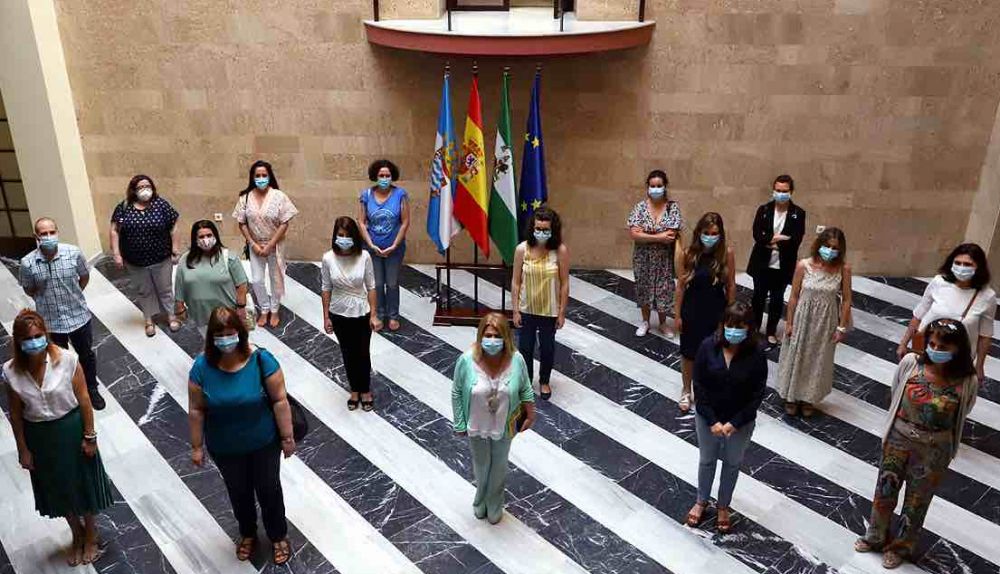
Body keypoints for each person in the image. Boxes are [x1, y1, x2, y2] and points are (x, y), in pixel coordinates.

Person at [855, 319, 978, 569]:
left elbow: (964, 410)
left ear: (958, 349)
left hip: (934, 449)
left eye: (943, 347)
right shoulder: (911, 363)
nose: (935, 350)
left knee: (917, 501)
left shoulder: (967, 380)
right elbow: (895, 391)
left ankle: (901, 546)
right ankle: (875, 536)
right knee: (885, 490)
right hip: (898, 438)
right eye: (932, 344)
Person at [2, 310, 112, 566]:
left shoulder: (67, 360)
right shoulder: (10, 372)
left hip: (70, 429)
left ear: (46, 334)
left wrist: (90, 436)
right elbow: (16, 415)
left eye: (38, 336)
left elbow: (84, 399)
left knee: (81, 483)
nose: (34, 342)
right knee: (56, 487)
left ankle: (91, 534)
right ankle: (76, 533)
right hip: (40, 436)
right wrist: (23, 449)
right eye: (27, 338)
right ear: (18, 341)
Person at [188, 307, 296, 565]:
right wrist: (196, 446)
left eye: (230, 333)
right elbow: (196, 409)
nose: (225, 339)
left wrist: (287, 437)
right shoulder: (202, 367)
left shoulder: (261, 360)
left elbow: (280, 400)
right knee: (238, 492)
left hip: (263, 442)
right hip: (225, 447)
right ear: (211, 337)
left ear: (240, 332)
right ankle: (248, 533)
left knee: (269, 489)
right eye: (219, 335)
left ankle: (278, 535)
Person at [686, 301, 766, 534]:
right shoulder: (707, 347)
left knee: (732, 463)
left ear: (749, 328)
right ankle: (701, 500)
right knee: (707, 460)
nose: (734, 331)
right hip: (708, 418)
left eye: (740, 326)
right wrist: (712, 421)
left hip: (740, 422)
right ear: (723, 325)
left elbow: (757, 394)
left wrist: (735, 423)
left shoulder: (756, 354)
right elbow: (699, 385)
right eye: (730, 325)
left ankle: (723, 506)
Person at [451, 313, 536, 524]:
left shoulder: (516, 360)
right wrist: (459, 422)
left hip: (504, 424)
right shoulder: (466, 360)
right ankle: (480, 498)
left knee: (499, 465)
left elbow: (525, 387)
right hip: (476, 423)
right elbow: (457, 391)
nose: (492, 340)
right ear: (480, 336)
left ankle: (495, 502)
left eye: (497, 336)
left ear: (505, 337)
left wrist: (530, 413)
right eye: (487, 335)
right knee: (481, 465)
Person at [18, 217, 104, 410]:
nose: (48, 237)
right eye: (43, 234)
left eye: (51, 232)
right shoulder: (28, 263)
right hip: (50, 321)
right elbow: (29, 288)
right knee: (58, 360)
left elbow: (84, 276)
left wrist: (73, 294)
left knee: (86, 355)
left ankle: (92, 388)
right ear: (36, 236)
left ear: (57, 232)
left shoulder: (73, 253)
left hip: (78, 316)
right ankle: (69, 391)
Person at [775, 227, 853, 417]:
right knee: (797, 355)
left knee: (818, 359)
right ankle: (792, 396)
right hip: (803, 318)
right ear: (819, 245)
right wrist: (789, 323)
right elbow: (794, 296)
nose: (830, 250)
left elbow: (846, 300)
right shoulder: (804, 265)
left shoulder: (843, 269)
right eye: (827, 246)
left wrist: (841, 327)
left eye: (835, 248)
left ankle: (808, 398)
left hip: (826, 321)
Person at [896, 243, 996, 384]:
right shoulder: (939, 282)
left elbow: (985, 336)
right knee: (914, 386)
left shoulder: (987, 297)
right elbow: (918, 315)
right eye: (958, 263)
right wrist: (904, 343)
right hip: (924, 347)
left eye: (967, 264)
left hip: (957, 357)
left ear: (978, 267)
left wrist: (979, 366)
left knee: (947, 392)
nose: (961, 268)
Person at [675, 212, 736, 413]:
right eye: (707, 233)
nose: (710, 237)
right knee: (688, 352)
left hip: (716, 311)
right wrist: (677, 314)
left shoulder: (726, 254)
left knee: (714, 353)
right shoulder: (688, 254)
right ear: (699, 232)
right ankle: (686, 390)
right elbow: (681, 286)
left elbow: (731, 285)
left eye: (714, 233)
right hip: (692, 309)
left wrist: (731, 315)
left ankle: (708, 392)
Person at [321, 216, 382, 412]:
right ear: (335, 236)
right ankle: (354, 389)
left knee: (363, 352)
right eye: (341, 235)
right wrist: (326, 316)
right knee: (348, 353)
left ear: (354, 237)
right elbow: (326, 288)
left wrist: (373, 314)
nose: (344, 239)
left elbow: (371, 287)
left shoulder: (364, 257)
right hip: (338, 312)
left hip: (361, 311)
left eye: (348, 235)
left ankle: (365, 390)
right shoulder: (328, 258)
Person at [109, 174, 181, 337]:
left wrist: (175, 249)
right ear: (133, 190)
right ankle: (149, 320)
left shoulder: (161, 205)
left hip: (161, 258)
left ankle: (171, 316)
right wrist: (116, 253)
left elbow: (174, 226)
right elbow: (114, 230)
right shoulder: (124, 207)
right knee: (144, 291)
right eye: (140, 187)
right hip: (135, 261)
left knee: (165, 289)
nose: (145, 189)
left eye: (147, 186)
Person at [511, 206, 569, 400]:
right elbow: (516, 282)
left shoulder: (559, 251)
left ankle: (544, 381)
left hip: (549, 310)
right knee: (525, 348)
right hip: (527, 309)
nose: (541, 232)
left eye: (545, 229)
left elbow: (565, 283)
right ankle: (526, 382)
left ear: (553, 229)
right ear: (532, 228)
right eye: (538, 228)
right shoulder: (522, 249)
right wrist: (515, 310)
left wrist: (562, 312)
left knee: (547, 349)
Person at [233, 160, 298, 329]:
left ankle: (274, 310)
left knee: (276, 278)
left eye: (264, 175)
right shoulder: (245, 198)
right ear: (252, 177)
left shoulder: (279, 196)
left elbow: (285, 223)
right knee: (256, 280)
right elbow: (241, 223)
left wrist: (270, 245)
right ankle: (264, 309)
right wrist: (253, 244)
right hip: (255, 245)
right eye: (257, 175)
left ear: (269, 176)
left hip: (275, 245)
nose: (261, 178)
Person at [747, 175, 806, 351]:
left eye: (784, 191)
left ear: (791, 191)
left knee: (777, 299)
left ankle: (771, 332)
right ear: (773, 191)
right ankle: (755, 328)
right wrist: (779, 239)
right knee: (758, 297)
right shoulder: (764, 210)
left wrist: (771, 241)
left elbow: (795, 240)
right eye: (778, 190)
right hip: (762, 263)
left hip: (783, 265)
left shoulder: (798, 213)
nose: (781, 194)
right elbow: (757, 235)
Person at [627, 169, 683, 337]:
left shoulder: (672, 208)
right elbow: (634, 234)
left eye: (659, 186)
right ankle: (645, 321)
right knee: (643, 287)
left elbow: (671, 235)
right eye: (652, 186)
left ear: (665, 186)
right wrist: (659, 237)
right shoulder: (640, 208)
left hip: (664, 259)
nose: (655, 189)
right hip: (642, 258)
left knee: (663, 290)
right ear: (648, 187)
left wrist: (646, 235)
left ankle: (663, 323)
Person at [358, 159, 410, 331]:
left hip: (394, 249)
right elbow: (361, 222)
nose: (385, 178)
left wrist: (394, 245)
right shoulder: (366, 195)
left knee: (392, 283)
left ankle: (393, 315)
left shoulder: (400, 194)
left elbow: (405, 222)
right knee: (377, 283)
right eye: (381, 175)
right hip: (372, 249)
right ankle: (379, 314)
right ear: (375, 176)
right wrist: (370, 244)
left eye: (387, 175)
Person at [174, 220, 250, 329]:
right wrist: (179, 307)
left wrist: (241, 307)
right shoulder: (185, 260)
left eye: (209, 235)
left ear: (215, 236)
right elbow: (179, 285)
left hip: (227, 317)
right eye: (201, 237)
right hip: (199, 318)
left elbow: (242, 285)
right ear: (195, 239)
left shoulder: (229, 258)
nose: (206, 240)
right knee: (206, 339)